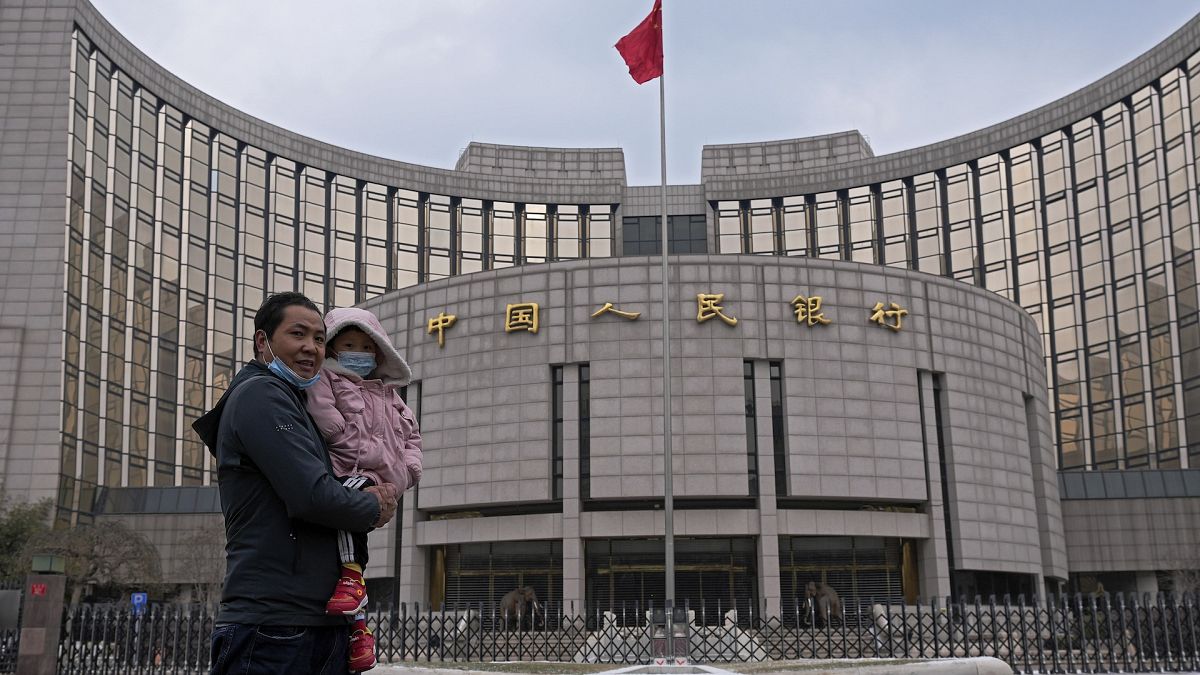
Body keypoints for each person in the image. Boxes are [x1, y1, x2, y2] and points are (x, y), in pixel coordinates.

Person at [192, 292, 399, 675]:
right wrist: (374, 506)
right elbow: (312, 495)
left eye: (320, 339)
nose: (311, 348)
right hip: (273, 626)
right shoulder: (260, 394)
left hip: (311, 622)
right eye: (298, 334)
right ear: (262, 341)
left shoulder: (298, 402)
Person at [305, 307, 423, 672]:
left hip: (384, 479)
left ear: (379, 351)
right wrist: (341, 434)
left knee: (352, 528)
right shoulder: (326, 378)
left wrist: (406, 473)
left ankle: (357, 621)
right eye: (348, 344)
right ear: (335, 349)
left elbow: (412, 436)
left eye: (366, 346)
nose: (359, 352)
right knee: (349, 512)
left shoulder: (390, 394)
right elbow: (321, 411)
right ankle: (356, 601)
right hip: (346, 471)